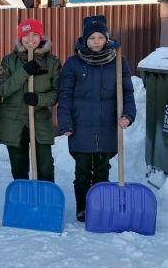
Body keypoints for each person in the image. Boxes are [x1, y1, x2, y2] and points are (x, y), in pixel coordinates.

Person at [57, 15, 136, 222]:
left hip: (107, 127)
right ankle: (82, 207)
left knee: (102, 170)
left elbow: (127, 92)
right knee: (82, 171)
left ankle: (99, 205)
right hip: (81, 127)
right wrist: (65, 122)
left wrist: (128, 115)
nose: (96, 42)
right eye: (92, 38)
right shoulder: (73, 64)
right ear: (84, 40)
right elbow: (64, 95)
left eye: (100, 37)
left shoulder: (118, 62)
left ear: (107, 38)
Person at [0, 19, 61, 181]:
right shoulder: (9, 61)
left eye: (34, 34)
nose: (30, 39)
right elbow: (2, 89)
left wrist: (39, 99)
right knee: (19, 170)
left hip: (39, 119)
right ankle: (23, 202)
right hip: (14, 121)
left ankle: (46, 201)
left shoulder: (52, 62)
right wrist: (24, 71)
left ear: (41, 37)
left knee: (45, 167)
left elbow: (57, 93)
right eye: (26, 35)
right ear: (20, 38)